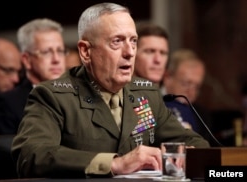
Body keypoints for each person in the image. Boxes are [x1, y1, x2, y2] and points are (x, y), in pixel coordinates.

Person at [11, 3, 210, 178]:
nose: (130, 52)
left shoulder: (146, 94)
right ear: (85, 51)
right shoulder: (53, 96)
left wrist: (185, 154)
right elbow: (31, 155)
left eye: (133, 41)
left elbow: (192, 141)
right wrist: (114, 163)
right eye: (117, 41)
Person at [0, 18, 66, 134]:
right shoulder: (8, 104)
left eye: (60, 51)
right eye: (46, 52)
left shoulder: (80, 95)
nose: (56, 59)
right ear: (27, 60)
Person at [162, 49, 213, 144]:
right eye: (186, 83)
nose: (191, 91)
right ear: (167, 77)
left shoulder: (202, 115)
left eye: (197, 87)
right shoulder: (153, 103)